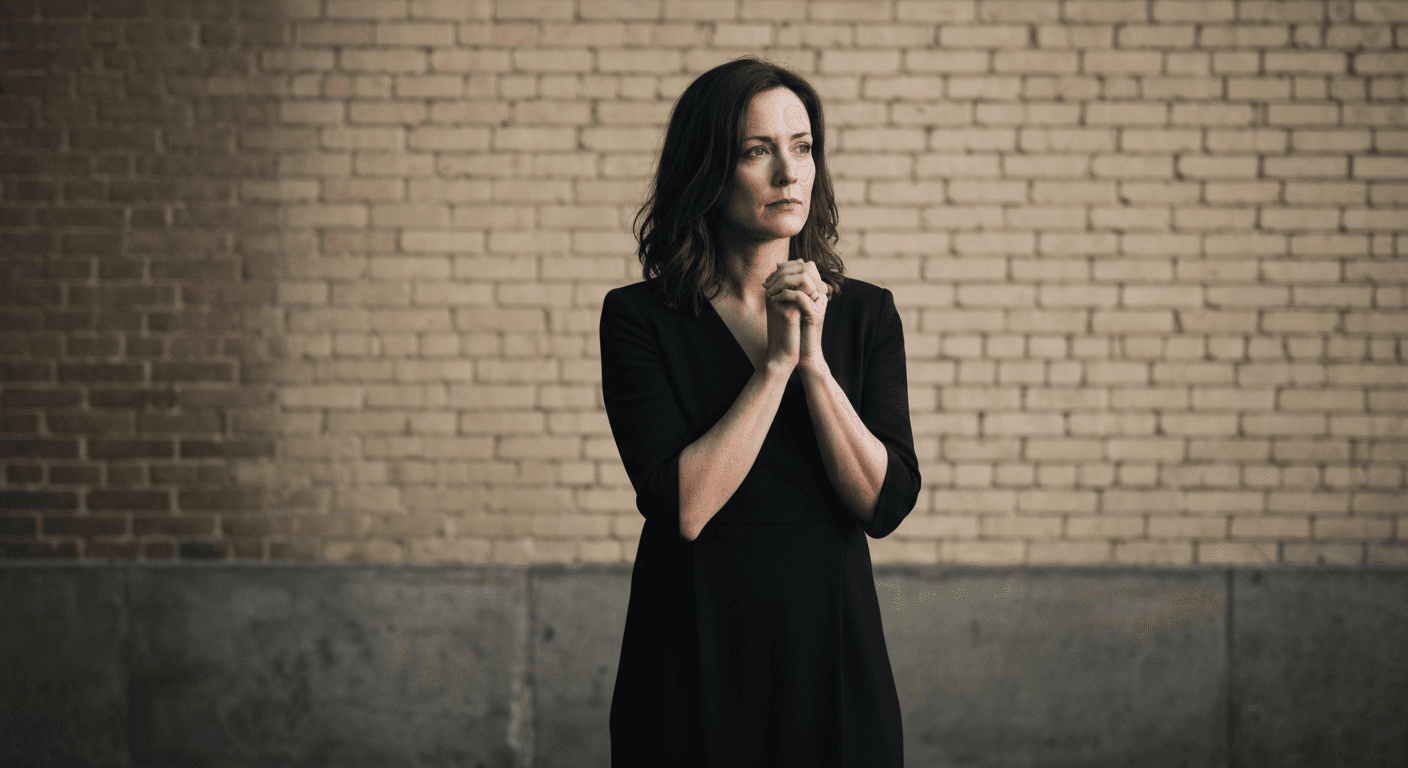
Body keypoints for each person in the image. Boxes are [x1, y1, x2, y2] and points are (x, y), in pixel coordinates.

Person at [598, 56, 921, 767]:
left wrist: (813, 364)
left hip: (832, 655)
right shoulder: (640, 318)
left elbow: (884, 501)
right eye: (757, 151)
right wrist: (775, 366)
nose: (789, 172)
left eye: (802, 147)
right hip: (693, 654)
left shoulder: (866, 313)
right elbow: (684, 505)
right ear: (708, 171)